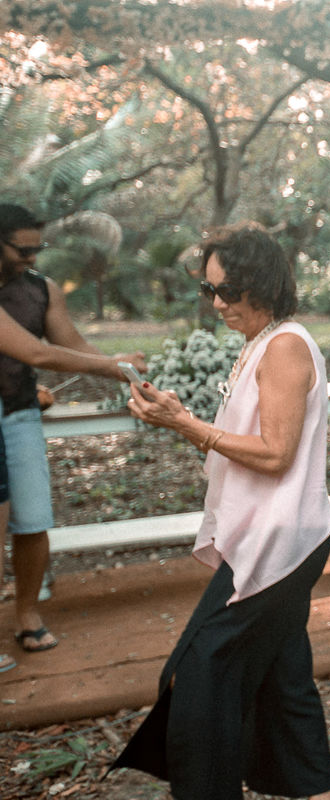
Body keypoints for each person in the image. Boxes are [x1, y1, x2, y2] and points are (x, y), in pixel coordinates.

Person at [111, 223, 330, 800]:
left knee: (197, 675)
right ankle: (313, 788)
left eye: (227, 290)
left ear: (261, 283)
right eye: (209, 291)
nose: (216, 303)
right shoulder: (260, 342)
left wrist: (185, 424)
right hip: (271, 533)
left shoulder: (285, 346)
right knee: (284, 678)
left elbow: (276, 454)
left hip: (279, 543)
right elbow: (239, 442)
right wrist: (178, 415)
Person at [0, 203, 146, 655]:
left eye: (37, 247)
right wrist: (113, 369)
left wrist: (118, 364)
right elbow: (38, 355)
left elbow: (71, 345)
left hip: (19, 413)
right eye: (22, 249)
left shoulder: (42, 291)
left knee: (33, 518)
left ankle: (27, 613)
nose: (32, 257)